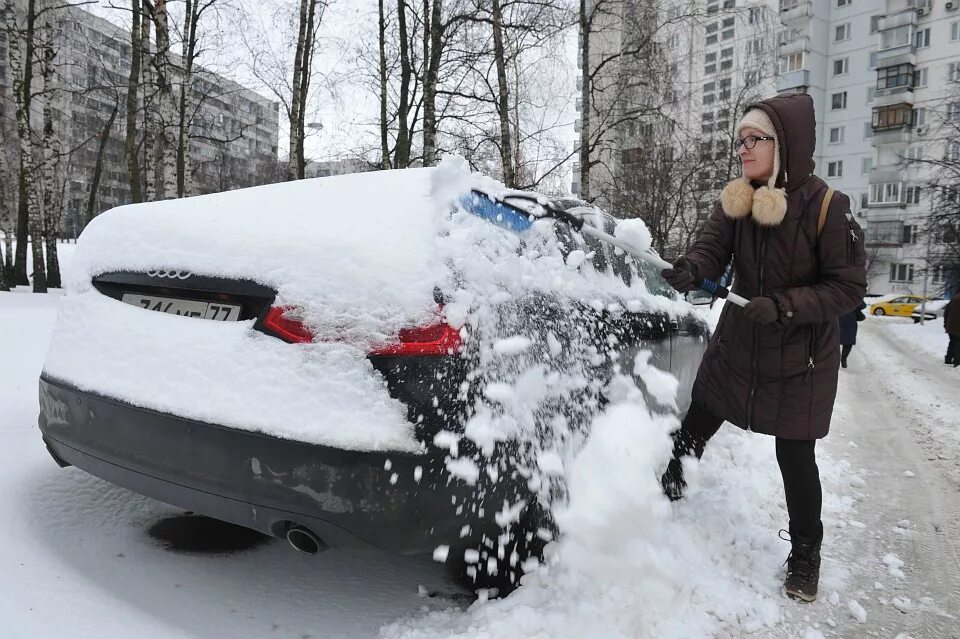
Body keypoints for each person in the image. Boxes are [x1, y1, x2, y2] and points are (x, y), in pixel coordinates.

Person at [659, 94, 867, 603]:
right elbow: (711, 246)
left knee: (795, 456)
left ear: (784, 146)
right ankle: (666, 493)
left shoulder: (826, 207)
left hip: (801, 358)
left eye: (754, 140)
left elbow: (846, 289)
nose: (743, 150)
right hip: (740, 343)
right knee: (699, 420)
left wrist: (783, 306)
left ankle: (805, 554)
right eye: (740, 141)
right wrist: (693, 269)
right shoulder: (739, 200)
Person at [838, 303, 866, 368]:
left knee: (835, 341)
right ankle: (843, 359)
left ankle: (839, 358)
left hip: (839, 320)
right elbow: (863, 305)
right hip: (849, 321)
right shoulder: (853, 295)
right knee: (848, 343)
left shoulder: (836, 293)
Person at [944, 295, 960, 367]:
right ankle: (957, 361)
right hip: (957, 326)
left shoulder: (954, 298)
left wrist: (946, 324)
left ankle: (948, 358)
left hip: (951, 325)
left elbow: (946, 312)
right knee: (958, 343)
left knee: (953, 341)